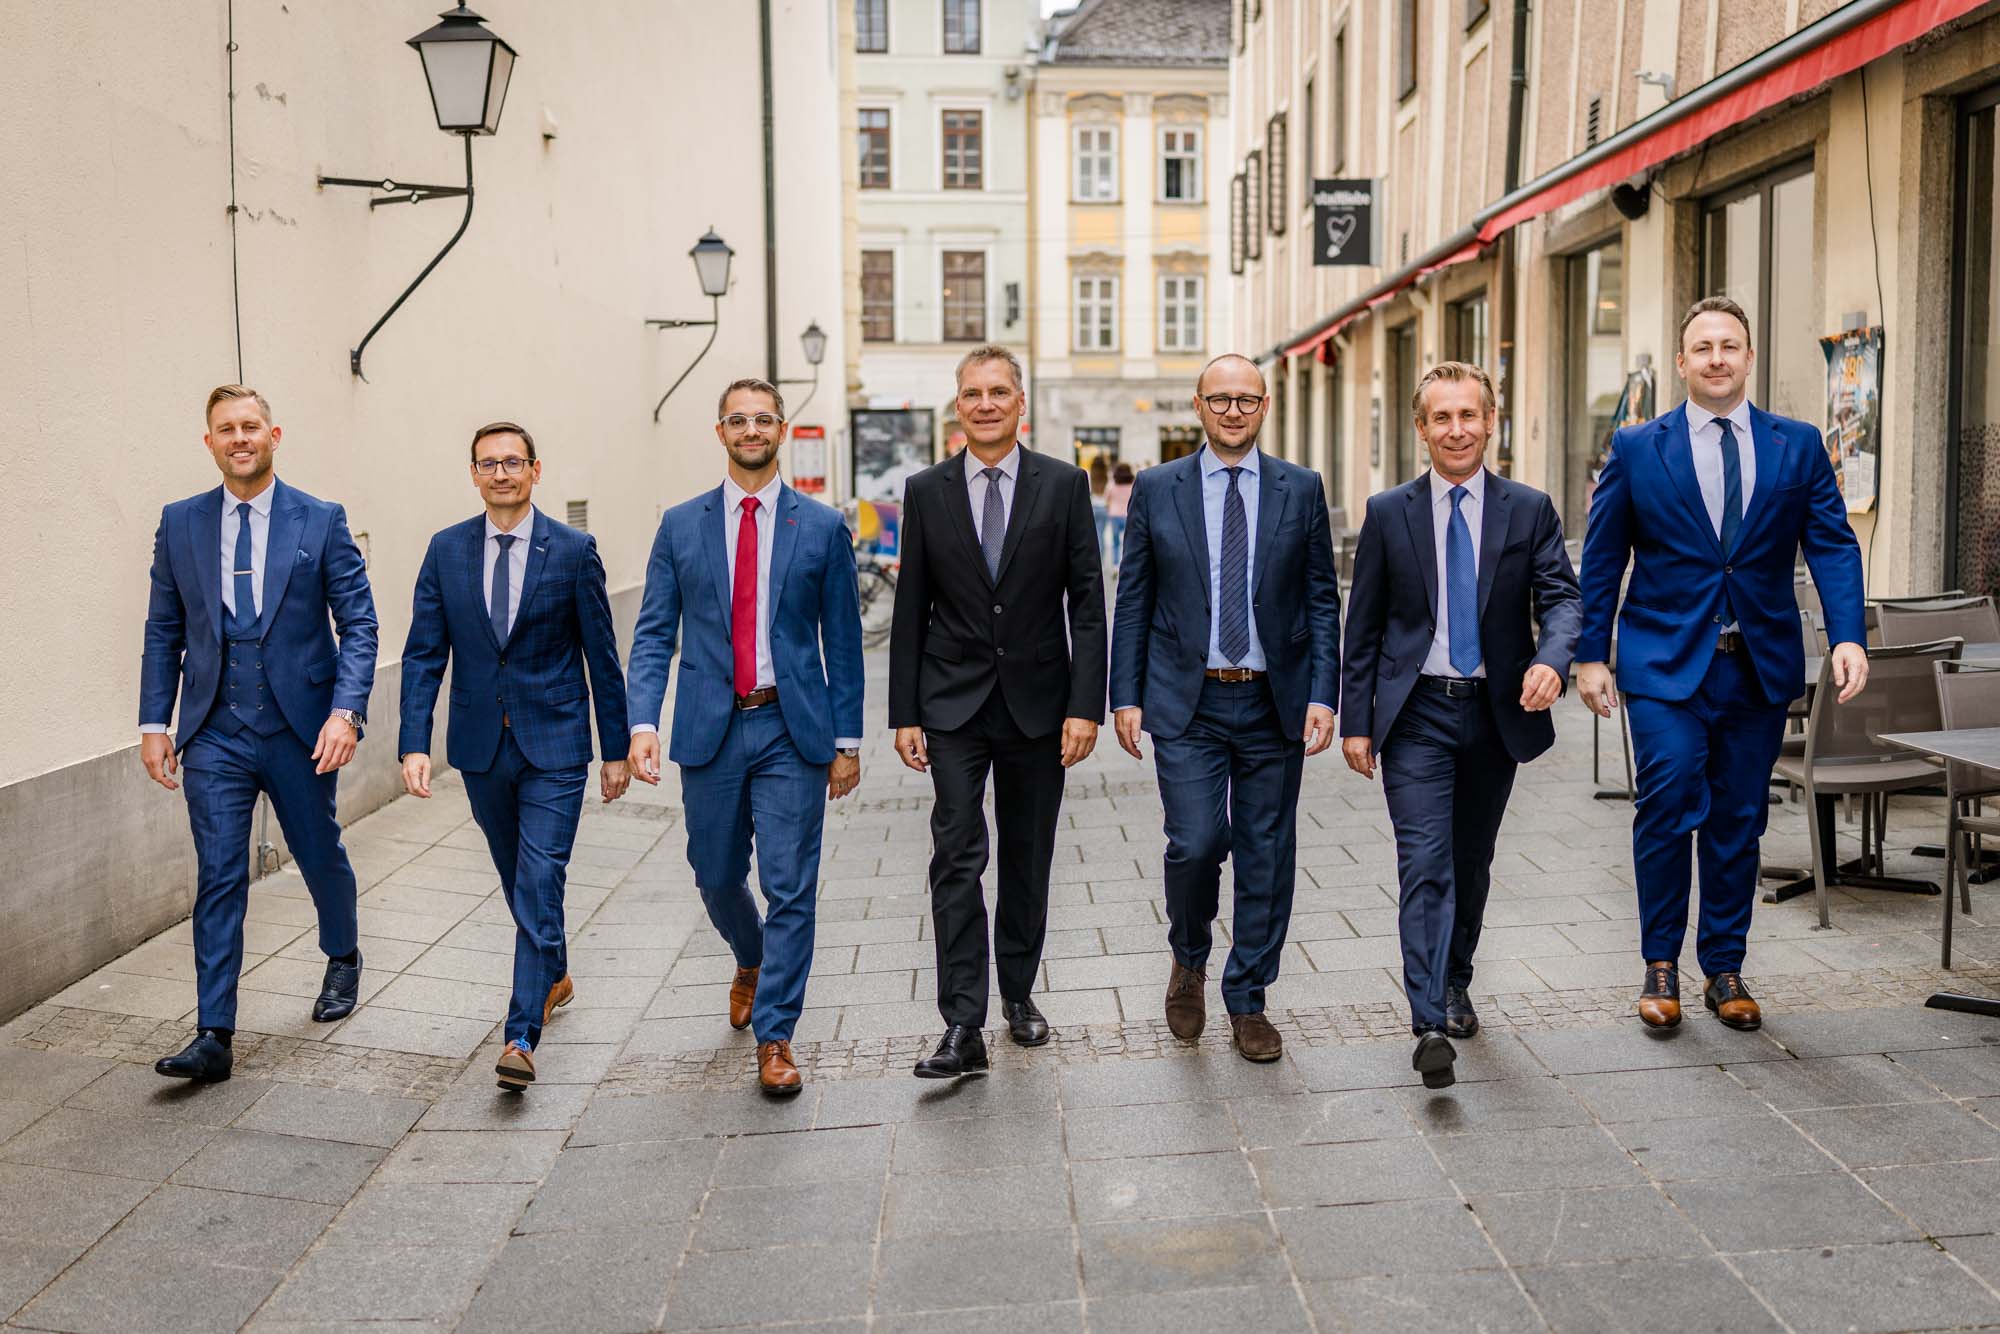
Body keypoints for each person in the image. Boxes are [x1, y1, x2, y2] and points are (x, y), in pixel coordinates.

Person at [1577, 297, 1868, 1032]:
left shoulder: (1796, 445)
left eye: (1729, 345)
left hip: (1758, 665)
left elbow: (1831, 543)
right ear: (1682, 362)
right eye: (1701, 346)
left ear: (1748, 357)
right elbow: (1605, 557)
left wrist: (1846, 634)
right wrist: (1590, 654)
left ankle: (1726, 967)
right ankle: (1661, 964)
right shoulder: (1641, 447)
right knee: (1669, 803)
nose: (1716, 357)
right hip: (1663, 663)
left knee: (1739, 818)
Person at [1340, 361, 1581, 1088]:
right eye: (1440, 418)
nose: (1455, 429)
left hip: (1496, 714)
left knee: (1470, 861)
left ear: (1490, 421)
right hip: (1414, 715)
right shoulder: (1389, 512)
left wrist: (1554, 660)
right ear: (1421, 429)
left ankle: (1455, 978)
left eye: (1467, 415)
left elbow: (1563, 599)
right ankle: (1427, 1021)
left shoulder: (1529, 508)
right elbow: (1366, 624)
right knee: (1425, 862)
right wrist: (1357, 721)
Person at [627, 378, 864, 1095]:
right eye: (739, 419)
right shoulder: (681, 524)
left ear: (781, 430)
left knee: (791, 886)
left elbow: (844, 644)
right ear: (720, 431)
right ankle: (751, 956)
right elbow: (652, 634)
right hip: (711, 726)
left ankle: (777, 1035)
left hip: (793, 730)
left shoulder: (819, 527)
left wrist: (847, 741)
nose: (752, 429)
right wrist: (642, 721)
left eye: (764, 419)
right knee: (716, 872)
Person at [140, 385, 378, 1082]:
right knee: (219, 872)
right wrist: (156, 721)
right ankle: (214, 1031)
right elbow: (163, 629)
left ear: (275, 435)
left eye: (251, 426)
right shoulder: (180, 522)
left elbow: (358, 626)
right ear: (208, 442)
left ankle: (343, 952)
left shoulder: (320, 519)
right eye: (225, 429)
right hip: (214, 728)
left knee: (317, 851)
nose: (239, 437)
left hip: (301, 726)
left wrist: (346, 711)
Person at [1109, 353, 1340, 1064]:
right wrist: (1125, 695)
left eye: (1246, 400)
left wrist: (1324, 694)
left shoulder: (1300, 489)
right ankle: (1189, 955)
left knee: (1268, 852)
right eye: (1220, 400)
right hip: (1188, 700)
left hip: (1274, 697)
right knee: (1198, 841)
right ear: (1198, 406)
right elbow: (1135, 596)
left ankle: (1248, 998)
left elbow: (1321, 599)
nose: (1233, 411)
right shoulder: (1157, 488)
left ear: (1264, 406)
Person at [889, 345, 1107, 1079]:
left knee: (1026, 854)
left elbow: (1089, 606)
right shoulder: (926, 491)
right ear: (959, 406)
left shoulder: (1064, 485)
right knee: (956, 853)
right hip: (952, 705)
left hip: (1040, 706)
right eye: (972, 393)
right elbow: (910, 604)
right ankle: (962, 1021)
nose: (985, 404)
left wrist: (1086, 707)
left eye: (998, 392)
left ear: (1022, 404)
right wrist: (903, 712)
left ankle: (1017, 991)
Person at [398, 421, 630, 1091]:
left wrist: (613, 747)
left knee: (538, 877)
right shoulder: (446, 551)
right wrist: (414, 740)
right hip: (479, 747)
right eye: (488, 464)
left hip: (556, 742)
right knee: (515, 875)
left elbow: (602, 657)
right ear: (473, 474)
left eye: (513, 462)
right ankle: (554, 970)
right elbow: (422, 654)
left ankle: (521, 1034)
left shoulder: (574, 550)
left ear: (534, 470)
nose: (501, 474)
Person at [1105, 461, 1134, 565]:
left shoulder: (1111, 485)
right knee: (1128, 543)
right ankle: (1126, 563)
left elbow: (1107, 500)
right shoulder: (1133, 485)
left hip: (1114, 515)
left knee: (1115, 542)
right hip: (1128, 516)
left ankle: (1115, 564)